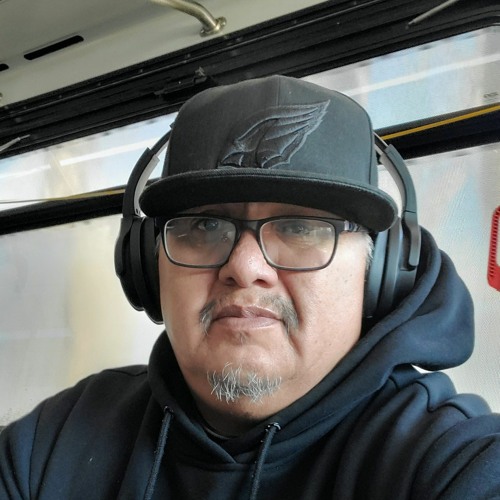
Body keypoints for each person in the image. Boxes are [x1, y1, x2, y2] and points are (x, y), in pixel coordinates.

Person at [1, 75, 499, 499]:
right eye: (203, 226)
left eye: (300, 228)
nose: (244, 267)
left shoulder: (445, 460)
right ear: (147, 267)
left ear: (379, 273)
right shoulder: (54, 442)